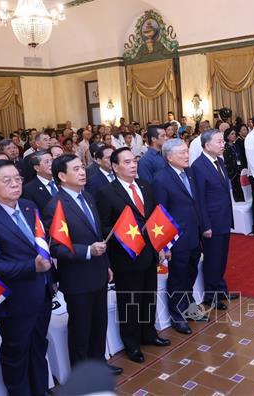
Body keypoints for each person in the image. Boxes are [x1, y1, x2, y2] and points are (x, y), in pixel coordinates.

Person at [0, 160, 54, 396]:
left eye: (17, 178)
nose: (15, 184)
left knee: (39, 347)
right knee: (16, 353)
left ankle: (41, 390)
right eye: (7, 181)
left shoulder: (28, 206)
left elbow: (40, 243)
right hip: (15, 301)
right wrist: (32, 266)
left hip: (42, 292)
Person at [43, 155, 120, 373]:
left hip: (97, 271)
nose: (82, 172)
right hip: (77, 277)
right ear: (61, 176)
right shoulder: (55, 206)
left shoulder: (87, 196)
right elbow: (55, 248)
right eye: (75, 169)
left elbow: (96, 235)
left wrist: (105, 264)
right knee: (80, 328)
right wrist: (87, 251)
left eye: (82, 167)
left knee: (99, 323)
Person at [97, 148, 170, 362]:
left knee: (149, 296)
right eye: (127, 162)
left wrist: (162, 246)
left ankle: (149, 334)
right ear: (115, 166)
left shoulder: (145, 186)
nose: (133, 165)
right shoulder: (106, 192)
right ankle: (131, 343)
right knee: (130, 300)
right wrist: (125, 235)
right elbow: (103, 226)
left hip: (149, 251)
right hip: (126, 255)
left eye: (134, 161)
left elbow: (155, 216)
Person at [152, 139, 206, 335]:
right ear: (169, 157)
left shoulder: (189, 173)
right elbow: (160, 213)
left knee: (191, 273)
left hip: (193, 234)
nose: (186, 155)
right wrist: (164, 245)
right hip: (176, 239)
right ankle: (177, 315)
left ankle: (190, 307)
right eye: (182, 152)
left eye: (186, 151)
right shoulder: (161, 179)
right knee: (177, 278)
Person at [192, 130, 238, 311]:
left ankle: (221, 288)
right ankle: (211, 296)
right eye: (219, 142)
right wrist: (205, 225)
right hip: (211, 221)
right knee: (212, 259)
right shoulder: (198, 166)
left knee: (222, 257)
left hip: (223, 217)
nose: (223, 144)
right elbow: (200, 199)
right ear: (207, 145)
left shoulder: (218, 161)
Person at [223, 128, 244, 202]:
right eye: (232, 134)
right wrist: (231, 172)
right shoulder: (225, 148)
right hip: (232, 173)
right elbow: (226, 161)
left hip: (239, 171)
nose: (234, 135)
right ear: (227, 136)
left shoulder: (236, 146)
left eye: (234, 134)